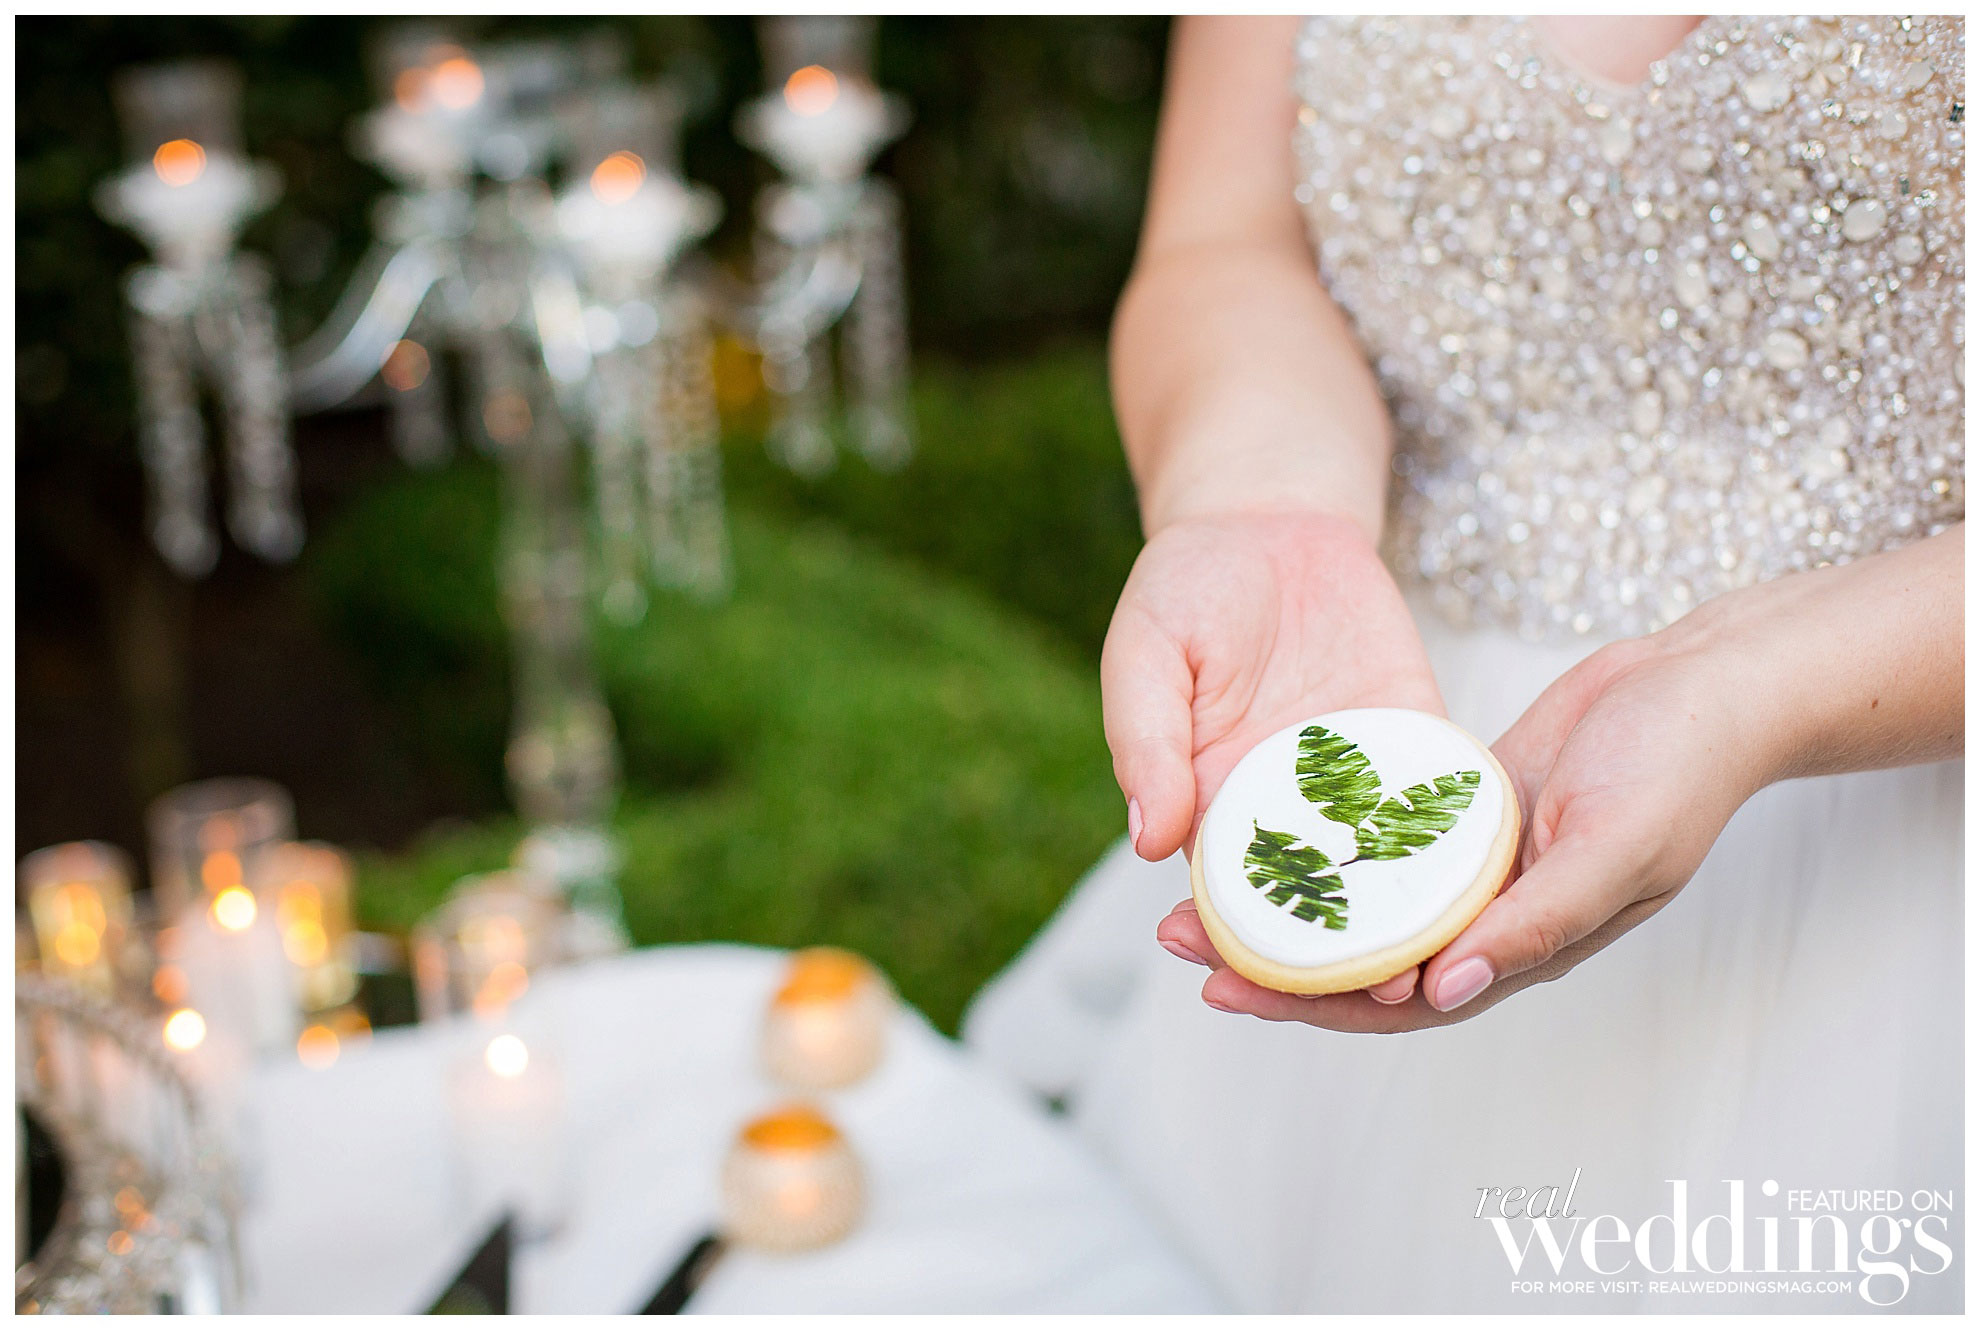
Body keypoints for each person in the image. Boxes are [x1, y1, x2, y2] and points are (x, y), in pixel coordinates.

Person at [964, 15, 1963, 1312]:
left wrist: (1755, 680)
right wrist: (1261, 508)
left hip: (1905, 791)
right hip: (1387, 705)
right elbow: (1230, 246)